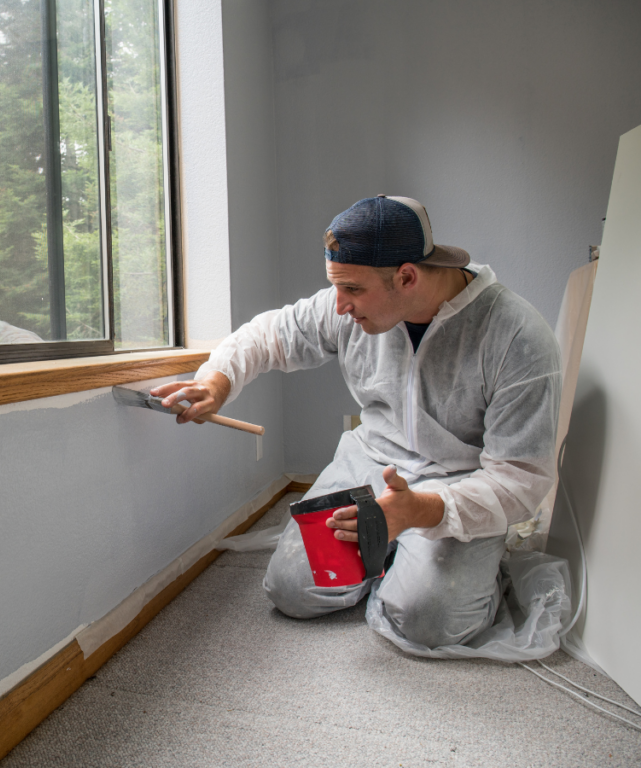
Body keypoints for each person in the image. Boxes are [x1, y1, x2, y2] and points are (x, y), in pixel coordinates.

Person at [152, 195, 561, 649]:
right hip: (372, 462)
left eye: (352, 289)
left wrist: (419, 512)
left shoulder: (516, 335)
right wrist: (217, 382)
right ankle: (392, 553)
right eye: (335, 287)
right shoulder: (344, 304)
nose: (339, 305)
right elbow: (269, 334)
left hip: (458, 485)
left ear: (406, 276)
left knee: (428, 622)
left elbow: (522, 478)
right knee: (292, 590)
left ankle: (451, 563)